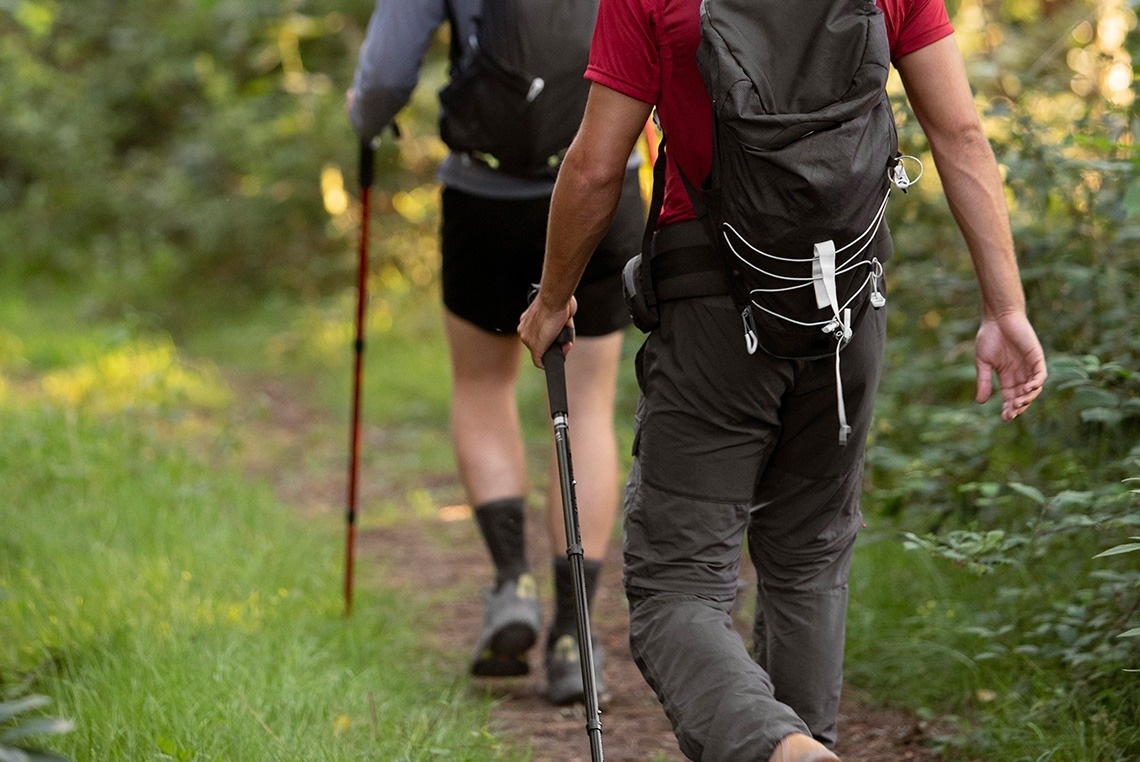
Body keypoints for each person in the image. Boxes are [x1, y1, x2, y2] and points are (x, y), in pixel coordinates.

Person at [518, 0, 1048, 758]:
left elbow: (598, 165)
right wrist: (1005, 307)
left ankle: (780, 747)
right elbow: (959, 133)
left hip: (712, 312)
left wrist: (553, 298)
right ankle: (804, 745)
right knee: (807, 558)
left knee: (677, 586)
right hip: (848, 310)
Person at [347, 0, 644, 705]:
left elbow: (387, 75)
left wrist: (365, 120)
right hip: (602, 186)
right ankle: (572, 637)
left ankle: (511, 582)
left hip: (484, 198)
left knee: (482, 387)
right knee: (589, 406)